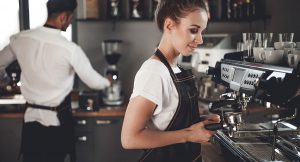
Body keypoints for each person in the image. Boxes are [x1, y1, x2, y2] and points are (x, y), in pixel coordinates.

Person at [0, 0, 110, 162]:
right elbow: (94, 82)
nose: (71, 21)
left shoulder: (21, 39)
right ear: (63, 17)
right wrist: (107, 82)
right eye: (71, 17)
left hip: (31, 122)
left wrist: (6, 80)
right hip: (57, 124)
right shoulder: (70, 50)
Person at [121, 0, 220, 161]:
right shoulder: (154, 72)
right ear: (169, 25)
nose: (200, 40)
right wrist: (188, 135)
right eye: (194, 30)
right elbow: (129, 138)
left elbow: (166, 121)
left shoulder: (176, 68)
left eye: (202, 31)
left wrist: (200, 124)